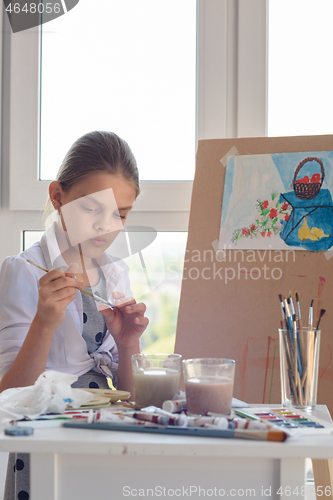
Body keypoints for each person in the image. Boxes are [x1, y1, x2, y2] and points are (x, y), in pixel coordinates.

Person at [0, 131, 149, 500]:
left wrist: (129, 344)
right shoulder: (24, 272)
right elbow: (8, 397)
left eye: (120, 213)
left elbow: (132, 395)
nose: (105, 225)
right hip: (49, 446)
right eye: (90, 207)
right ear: (57, 196)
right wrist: (44, 323)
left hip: (104, 442)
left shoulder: (115, 272)